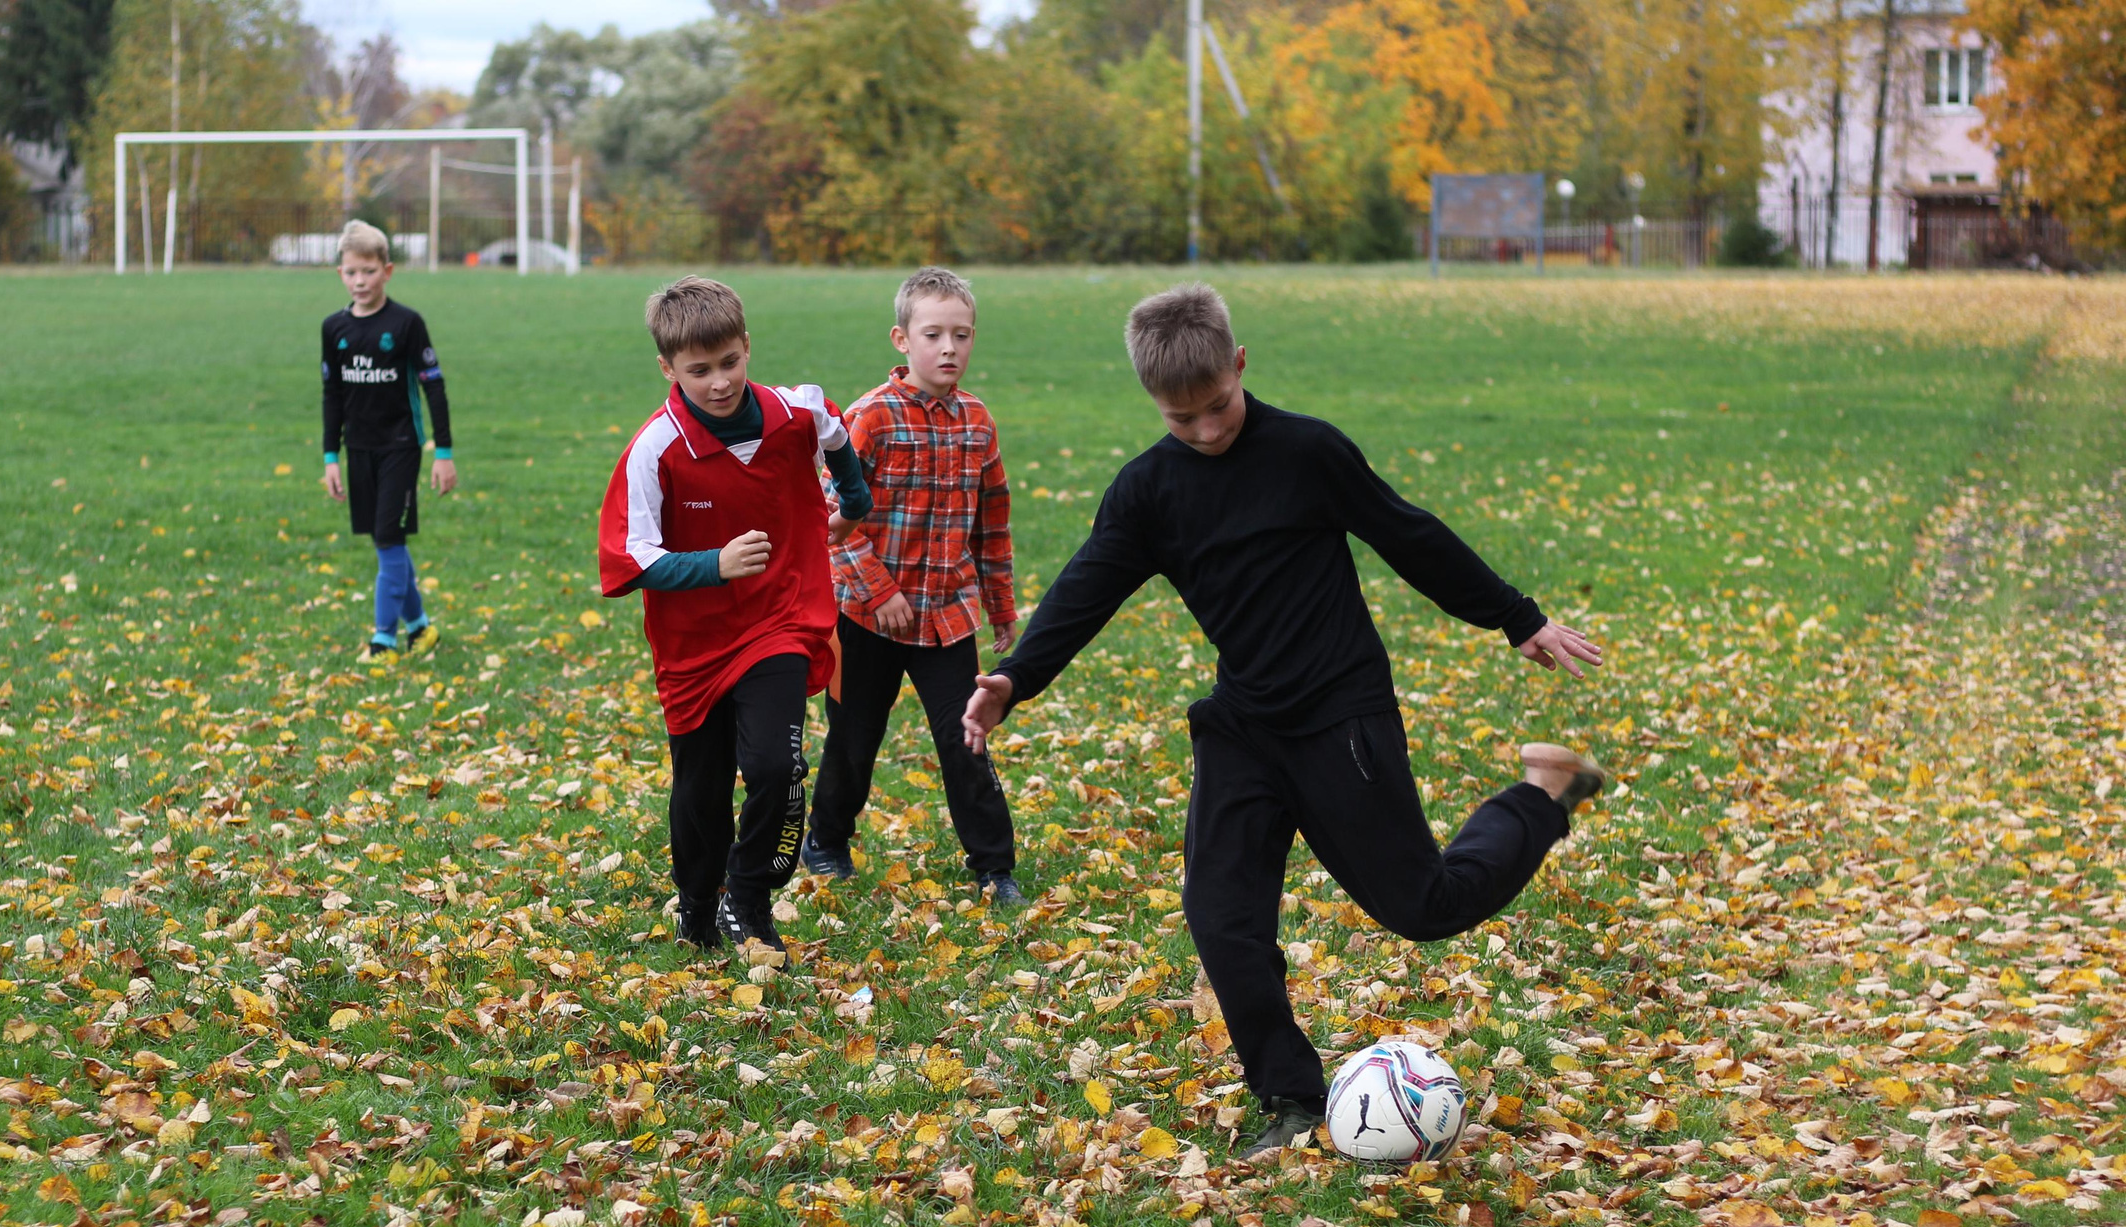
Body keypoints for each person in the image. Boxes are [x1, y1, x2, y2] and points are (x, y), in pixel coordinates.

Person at [961, 283, 1607, 1160]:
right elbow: (1088, 585)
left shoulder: (1307, 452)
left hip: (1342, 715)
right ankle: (1294, 1099)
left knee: (1424, 906)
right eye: (1181, 418)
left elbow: (1409, 534)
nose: (1206, 431)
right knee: (1221, 915)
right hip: (1243, 726)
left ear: (1239, 365)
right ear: (1154, 402)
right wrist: (1014, 678)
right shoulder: (1149, 490)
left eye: (1217, 406)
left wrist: (1516, 616)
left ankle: (1542, 793)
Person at [597, 275, 872, 964]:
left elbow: (835, 432)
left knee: (777, 766)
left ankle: (747, 897)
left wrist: (854, 502)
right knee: (701, 789)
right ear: (667, 368)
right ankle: (697, 906)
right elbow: (630, 558)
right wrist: (713, 565)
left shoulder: (793, 411)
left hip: (781, 619)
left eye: (729, 362)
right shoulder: (654, 449)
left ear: (747, 346)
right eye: (699, 371)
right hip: (693, 645)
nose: (719, 382)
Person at [803, 266, 1025, 907]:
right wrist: (880, 592)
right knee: (854, 736)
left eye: (962, 335)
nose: (949, 348)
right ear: (902, 339)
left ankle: (994, 866)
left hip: (947, 617)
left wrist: (1000, 606)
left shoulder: (978, 422)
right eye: (933, 335)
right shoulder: (870, 417)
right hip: (863, 617)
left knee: (967, 737)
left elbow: (992, 522)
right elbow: (829, 518)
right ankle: (827, 841)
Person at [319, 220, 455, 657]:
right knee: (386, 540)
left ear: (388, 271)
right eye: (351, 272)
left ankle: (382, 640)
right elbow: (332, 395)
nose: (360, 281)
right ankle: (420, 627)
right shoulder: (333, 329)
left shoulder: (406, 323)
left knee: (387, 538)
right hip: (358, 449)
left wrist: (443, 452)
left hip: (401, 446)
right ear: (340, 273)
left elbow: (434, 386)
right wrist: (330, 457)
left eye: (369, 271)